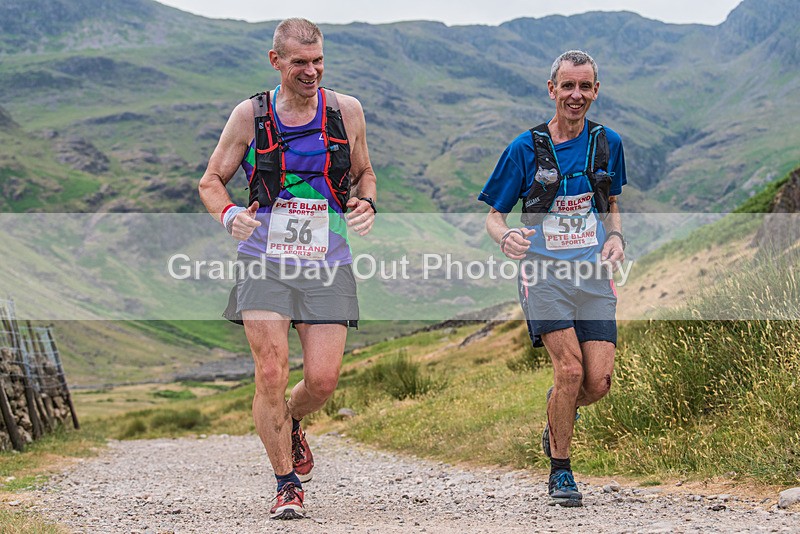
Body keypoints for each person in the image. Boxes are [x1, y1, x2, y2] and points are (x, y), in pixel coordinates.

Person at [198, 18, 377, 520]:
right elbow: (211, 180)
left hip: (328, 263)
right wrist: (229, 215)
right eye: (300, 62)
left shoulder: (346, 111)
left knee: (322, 381)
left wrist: (366, 203)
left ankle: (293, 419)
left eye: (318, 61)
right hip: (264, 262)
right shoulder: (249, 116)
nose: (311, 71)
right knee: (272, 371)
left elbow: (364, 173)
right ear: (275, 61)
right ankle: (286, 483)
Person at [478, 50, 627, 507]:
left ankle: (557, 408)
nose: (575, 95)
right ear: (552, 89)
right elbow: (494, 216)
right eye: (567, 86)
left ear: (595, 90)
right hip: (543, 274)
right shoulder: (524, 148)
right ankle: (561, 472)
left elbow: (611, 204)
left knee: (597, 383)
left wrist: (616, 238)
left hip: (594, 276)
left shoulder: (608, 143)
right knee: (571, 370)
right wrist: (506, 238)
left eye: (584, 86)